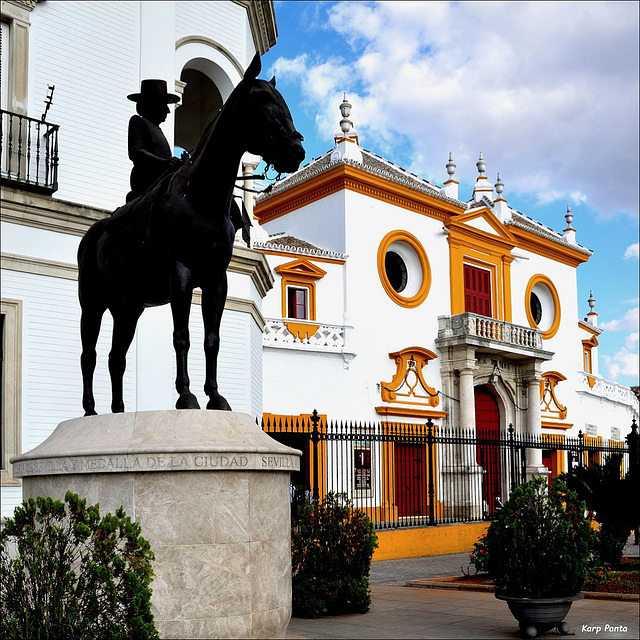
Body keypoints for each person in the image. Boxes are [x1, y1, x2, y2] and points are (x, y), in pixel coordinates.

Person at [126, 79, 182, 202]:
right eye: (164, 105)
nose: (168, 110)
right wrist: (164, 162)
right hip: (146, 182)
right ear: (152, 104)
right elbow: (135, 151)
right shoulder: (138, 121)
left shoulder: (158, 130)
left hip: (163, 182)